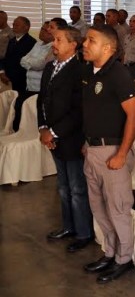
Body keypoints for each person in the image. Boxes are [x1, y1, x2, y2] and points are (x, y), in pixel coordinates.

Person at [80, 24, 135, 283]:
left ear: (107, 47)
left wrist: (122, 153)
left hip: (113, 150)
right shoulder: (89, 72)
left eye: (91, 40)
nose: (84, 44)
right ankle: (110, 251)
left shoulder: (119, 74)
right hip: (92, 149)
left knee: (117, 208)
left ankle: (124, 258)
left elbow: (134, 116)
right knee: (98, 207)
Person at [38, 26, 93, 252]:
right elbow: (42, 100)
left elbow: (78, 110)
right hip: (52, 135)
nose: (54, 43)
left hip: (70, 137)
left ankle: (83, 232)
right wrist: (43, 128)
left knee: (77, 188)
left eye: (59, 40)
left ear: (73, 45)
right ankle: (68, 226)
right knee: (62, 187)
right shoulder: (50, 67)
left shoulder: (80, 71)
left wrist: (55, 131)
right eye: (54, 39)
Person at [19, 21, 53, 98]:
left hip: (40, 88)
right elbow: (22, 60)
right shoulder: (38, 43)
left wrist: (28, 63)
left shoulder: (53, 47)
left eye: (45, 30)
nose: (41, 32)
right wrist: (31, 63)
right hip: (29, 86)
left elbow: (40, 64)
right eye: (41, 29)